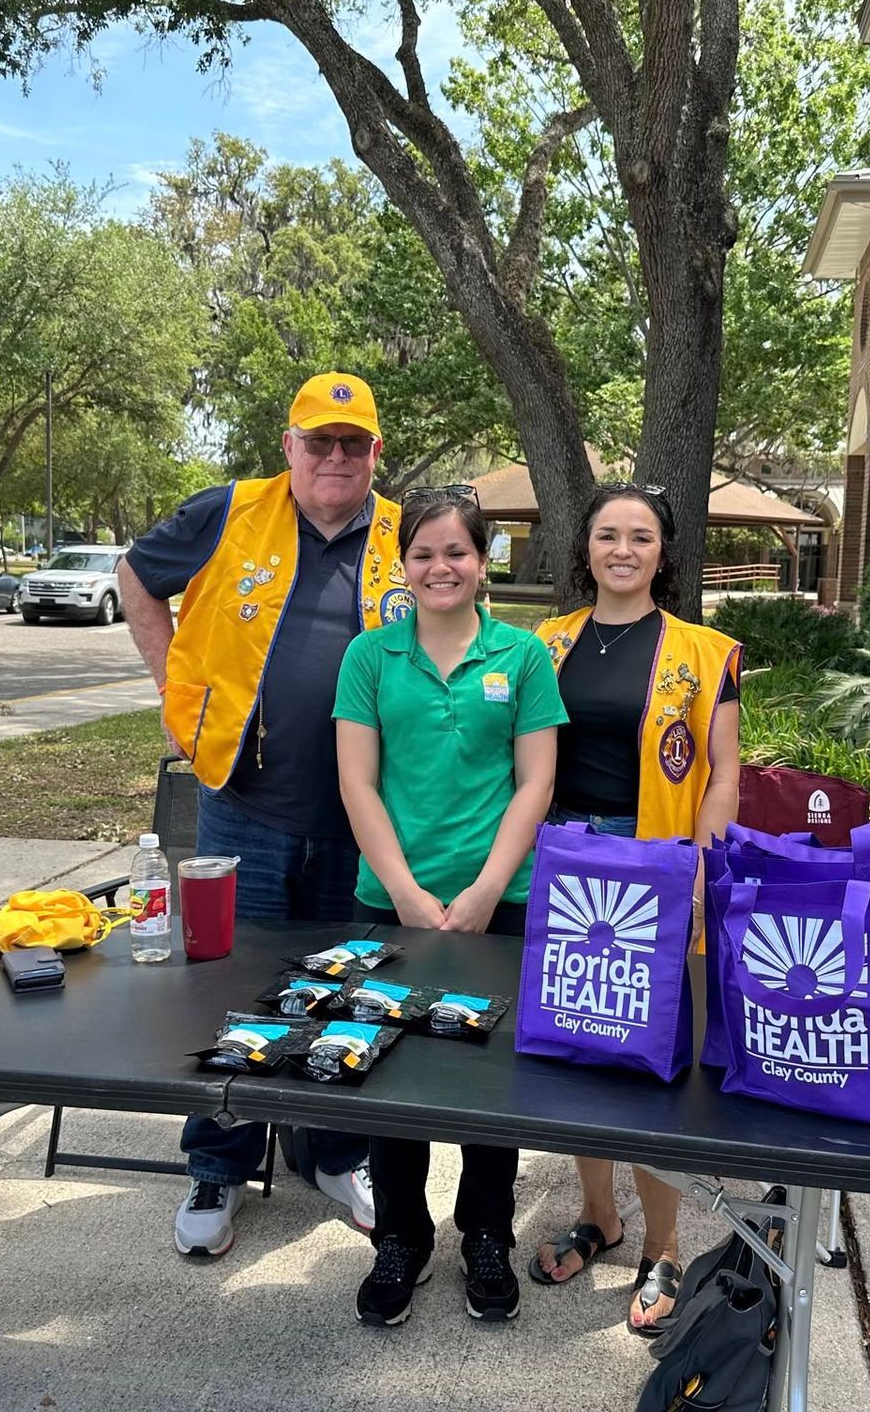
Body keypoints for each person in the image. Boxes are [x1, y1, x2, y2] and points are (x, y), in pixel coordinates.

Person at [121, 371, 405, 1258]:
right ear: (288, 446)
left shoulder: (405, 536)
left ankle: (336, 1151)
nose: (333, 456)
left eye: (351, 443)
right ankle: (219, 1161)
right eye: (317, 440)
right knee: (232, 992)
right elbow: (135, 577)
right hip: (245, 805)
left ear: (373, 454)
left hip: (367, 819)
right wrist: (174, 692)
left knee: (350, 993)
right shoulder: (227, 511)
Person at [331, 487, 566, 1326]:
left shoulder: (523, 657)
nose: (441, 567)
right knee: (389, 1078)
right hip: (389, 900)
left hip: (498, 902)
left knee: (485, 1084)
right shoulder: (370, 658)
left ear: (482, 562)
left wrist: (480, 891)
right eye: (424, 553)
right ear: (405, 566)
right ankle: (400, 1238)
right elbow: (356, 781)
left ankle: (485, 1235)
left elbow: (536, 781)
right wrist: (404, 890)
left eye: (457, 552)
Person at [528, 483, 742, 1334]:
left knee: (651, 1066)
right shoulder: (544, 646)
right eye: (607, 535)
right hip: (565, 864)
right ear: (585, 548)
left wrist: (698, 865)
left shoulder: (702, 651)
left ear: (663, 553)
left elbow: (722, 770)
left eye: (640, 537)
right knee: (583, 1051)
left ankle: (664, 1244)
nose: (622, 549)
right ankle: (599, 1216)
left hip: (656, 866)